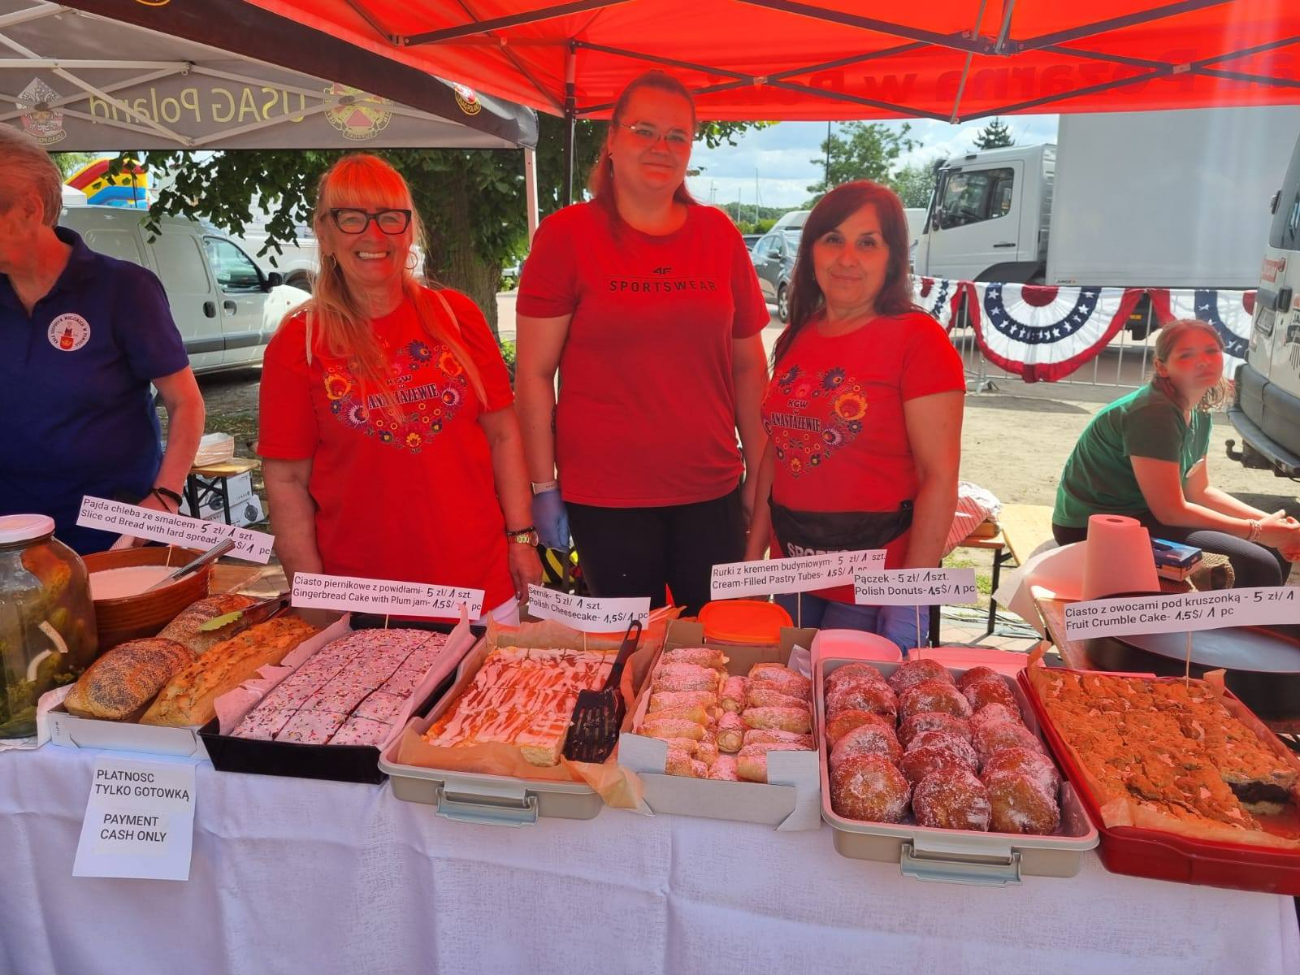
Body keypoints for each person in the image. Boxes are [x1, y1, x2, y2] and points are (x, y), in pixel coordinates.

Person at [515, 70, 769, 615]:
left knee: (714, 648)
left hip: (711, 490)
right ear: (611, 140)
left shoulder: (719, 236)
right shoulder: (566, 237)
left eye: (678, 136)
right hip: (606, 498)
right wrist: (542, 484)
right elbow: (534, 373)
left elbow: (749, 366)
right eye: (644, 130)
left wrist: (760, 473)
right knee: (631, 653)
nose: (662, 146)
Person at [258, 154, 541, 621]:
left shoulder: (456, 317)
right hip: (366, 600)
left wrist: (522, 538)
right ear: (325, 234)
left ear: (409, 231)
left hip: (479, 588)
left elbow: (503, 435)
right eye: (351, 218)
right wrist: (309, 588)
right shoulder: (299, 343)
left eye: (390, 217)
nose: (374, 235)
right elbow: (286, 480)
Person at [744, 181, 965, 650]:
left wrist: (910, 596)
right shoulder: (798, 336)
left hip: (874, 585)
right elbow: (775, 457)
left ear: (893, 257)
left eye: (868, 243)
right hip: (793, 570)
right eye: (833, 239)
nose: (848, 258)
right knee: (787, 712)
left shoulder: (919, 341)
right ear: (812, 252)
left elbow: (939, 476)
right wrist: (753, 562)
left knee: (852, 712)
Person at [0, 127, 205, 554]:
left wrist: (165, 499)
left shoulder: (124, 289)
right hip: (14, 537)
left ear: (30, 210)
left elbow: (186, 402)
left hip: (113, 532)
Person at [1053, 318, 1298, 586]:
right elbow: (1170, 512)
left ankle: (1237, 626)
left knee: (1271, 551)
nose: (1203, 361)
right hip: (1094, 527)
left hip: (1144, 515)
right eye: (1187, 355)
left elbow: (1199, 490)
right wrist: (1258, 531)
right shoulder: (1154, 412)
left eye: (1211, 351)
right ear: (1161, 367)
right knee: (1257, 565)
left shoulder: (1198, 407)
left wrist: (1275, 525)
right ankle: (1221, 627)